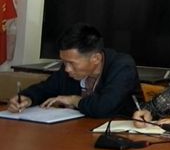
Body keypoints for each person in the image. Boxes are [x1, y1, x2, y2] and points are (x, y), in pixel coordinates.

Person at [8, 23, 141, 118]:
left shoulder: (122, 67)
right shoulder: (68, 67)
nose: (67, 69)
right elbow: (46, 88)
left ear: (96, 58)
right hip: (77, 131)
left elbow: (103, 107)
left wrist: (73, 100)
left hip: (116, 134)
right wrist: (27, 98)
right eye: (64, 62)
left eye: (71, 63)